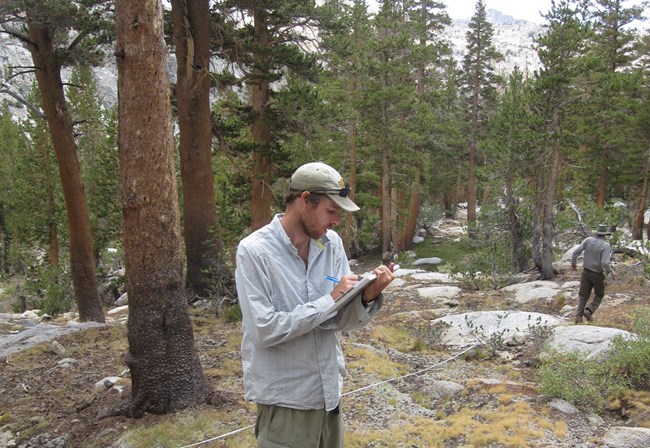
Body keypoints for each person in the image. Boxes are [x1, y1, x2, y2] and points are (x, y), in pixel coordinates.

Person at [235, 161, 395, 448]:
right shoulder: (254, 251)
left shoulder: (331, 244)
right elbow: (264, 330)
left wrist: (366, 296)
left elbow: (338, 322)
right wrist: (330, 299)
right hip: (287, 401)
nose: (336, 221)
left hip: (328, 395)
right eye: (331, 211)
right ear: (305, 200)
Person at [571, 224, 616, 324]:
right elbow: (605, 262)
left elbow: (575, 252)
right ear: (605, 235)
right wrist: (611, 271)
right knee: (599, 294)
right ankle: (589, 310)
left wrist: (573, 264)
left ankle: (578, 317)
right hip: (597, 274)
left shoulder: (588, 240)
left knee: (583, 295)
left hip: (586, 271)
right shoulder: (605, 245)